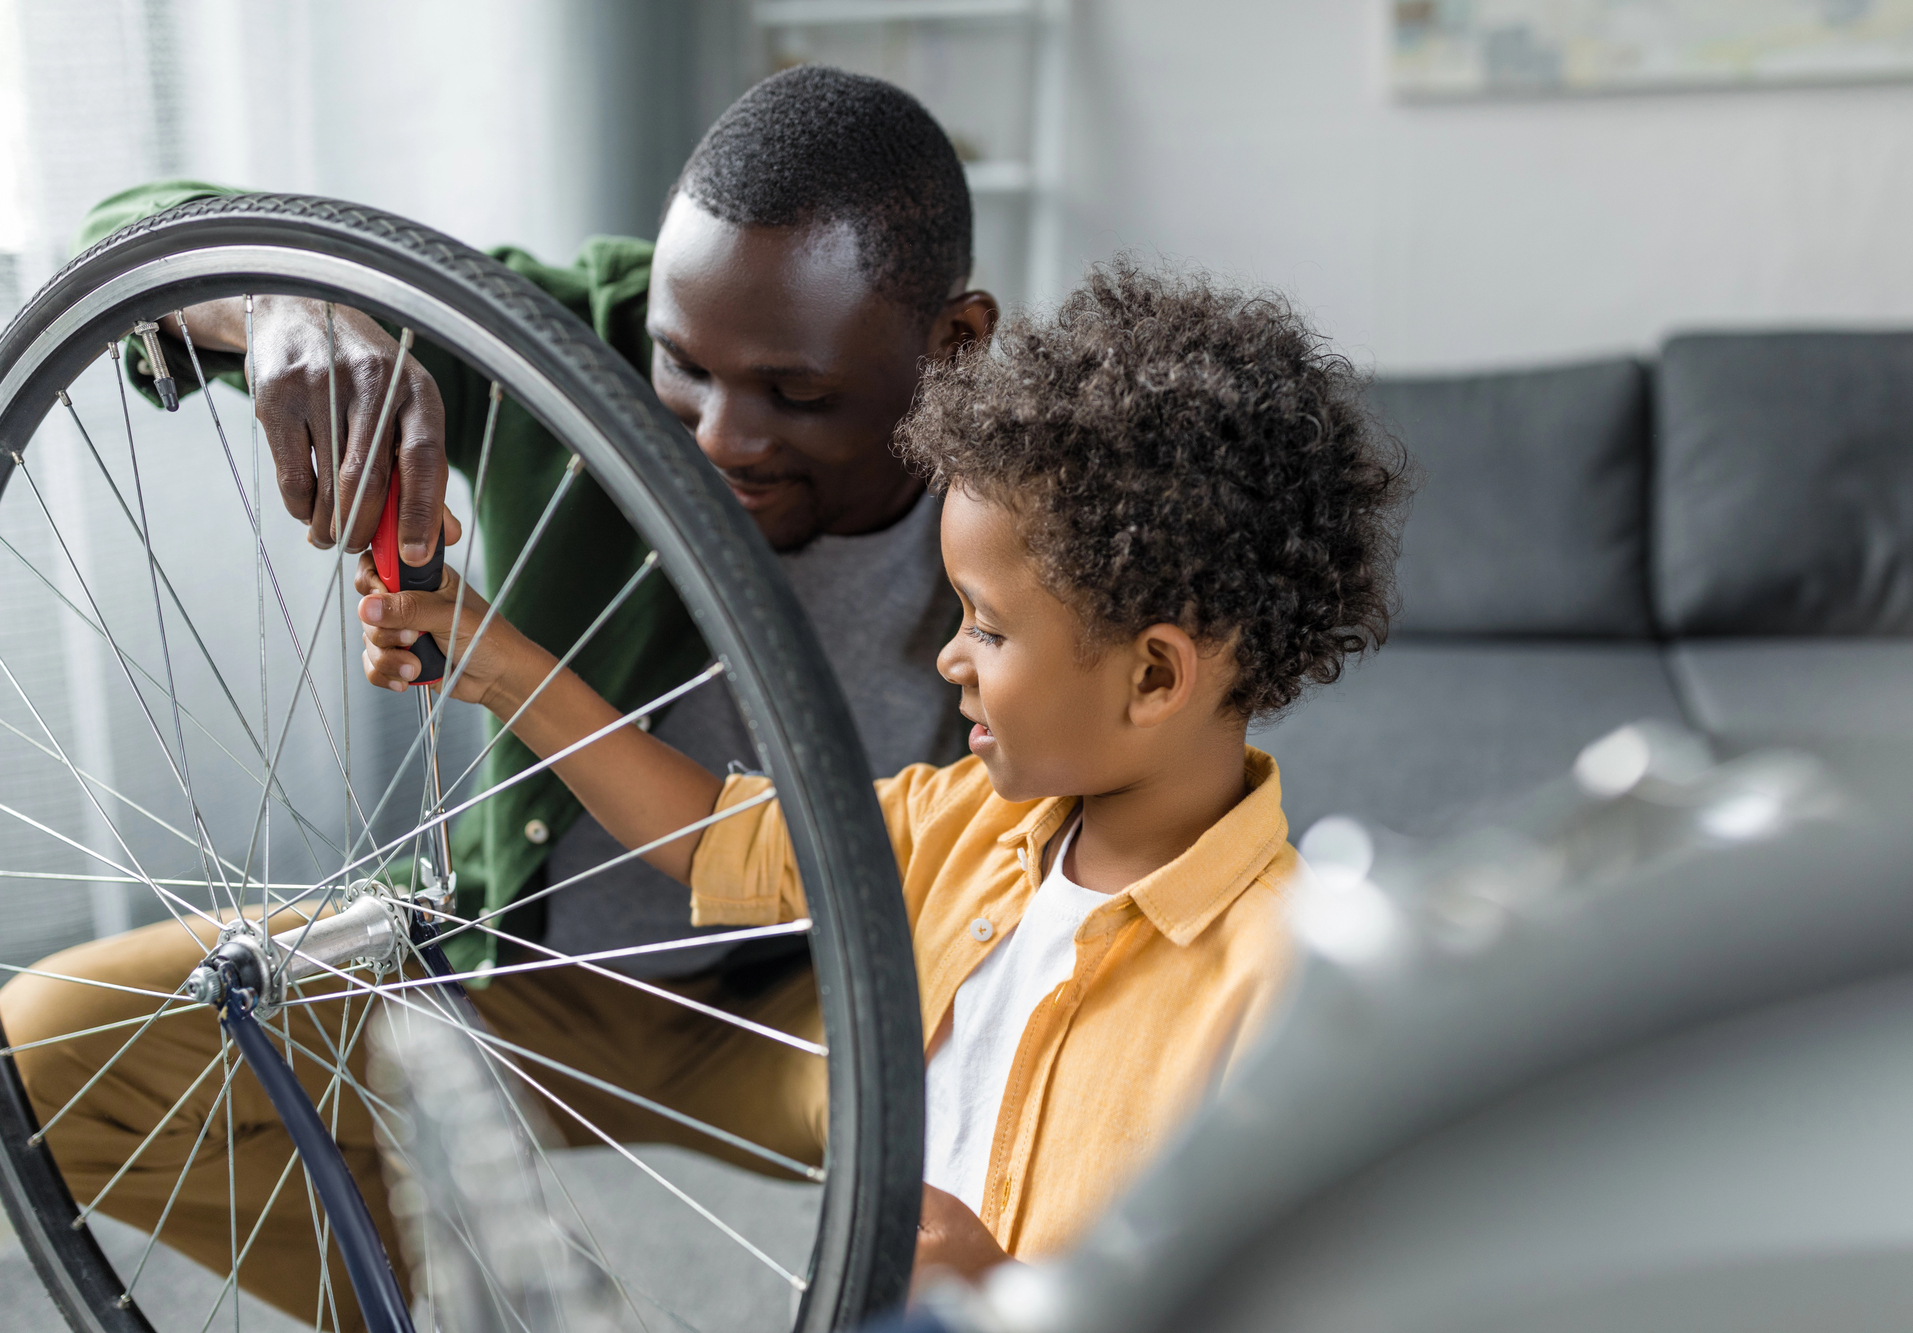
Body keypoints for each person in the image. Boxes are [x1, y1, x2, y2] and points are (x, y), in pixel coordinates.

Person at [1, 66, 1001, 1325]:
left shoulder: (1038, 498)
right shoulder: (572, 344)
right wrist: (282, 301)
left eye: (797, 397)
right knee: (53, 1045)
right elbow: (133, 231)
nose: (717, 442)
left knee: (1037, 1186)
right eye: (681, 369)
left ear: (952, 346)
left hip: (841, 1004)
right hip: (524, 968)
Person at [355, 259, 1410, 1282]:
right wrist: (503, 667)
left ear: (1151, 676)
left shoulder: (1288, 991)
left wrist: (992, 1287)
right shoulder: (963, 822)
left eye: (985, 629)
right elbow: (714, 837)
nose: (947, 655)